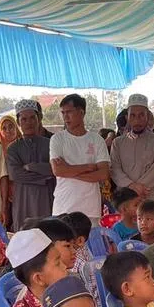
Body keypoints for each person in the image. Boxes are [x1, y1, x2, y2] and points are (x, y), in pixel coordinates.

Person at [50, 94, 110, 222]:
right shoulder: (57, 139)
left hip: (90, 208)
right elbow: (58, 170)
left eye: (69, 112)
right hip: (63, 207)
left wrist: (69, 170)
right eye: (63, 113)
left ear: (81, 112)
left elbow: (103, 174)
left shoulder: (96, 139)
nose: (65, 117)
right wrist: (88, 167)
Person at [6, 99, 55, 230]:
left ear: (39, 119)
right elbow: (15, 175)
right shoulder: (13, 148)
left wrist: (32, 167)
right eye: (24, 119)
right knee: (25, 234)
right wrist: (45, 176)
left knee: (48, 233)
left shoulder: (51, 144)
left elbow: (55, 169)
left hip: (47, 198)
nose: (29, 122)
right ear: (18, 122)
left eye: (32, 118)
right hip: (23, 199)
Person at [110, 94, 154, 203]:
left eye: (141, 115)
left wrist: (137, 189)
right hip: (125, 198)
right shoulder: (117, 143)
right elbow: (115, 169)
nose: (137, 120)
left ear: (147, 116)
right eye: (133, 115)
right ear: (127, 118)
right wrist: (130, 186)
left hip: (149, 197)